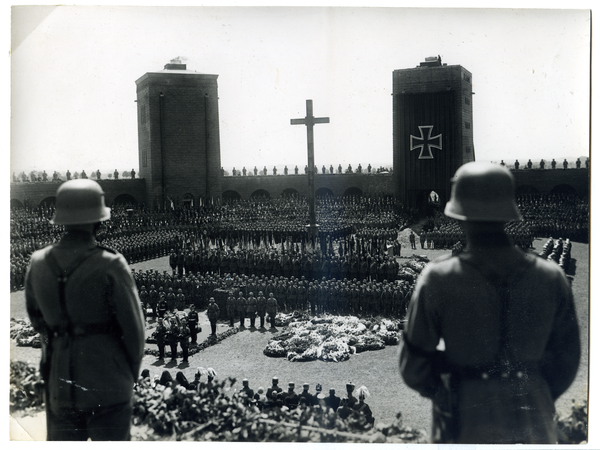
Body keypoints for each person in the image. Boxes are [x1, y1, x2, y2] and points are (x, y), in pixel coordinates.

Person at [399, 161, 580, 444]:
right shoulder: (551, 277)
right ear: (508, 212)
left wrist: (452, 388)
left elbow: (413, 366)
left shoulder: (438, 278)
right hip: (532, 418)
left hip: (465, 419)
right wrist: (532, 390)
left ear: (458, 215)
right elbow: (567, 361)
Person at [24, 179, 145, 440]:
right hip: (108, 383)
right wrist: (128, 375)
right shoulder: (111, 263)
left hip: (60, 384)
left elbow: (37, 322)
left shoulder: (38, 263)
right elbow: (135, 332)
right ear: (98, 219)